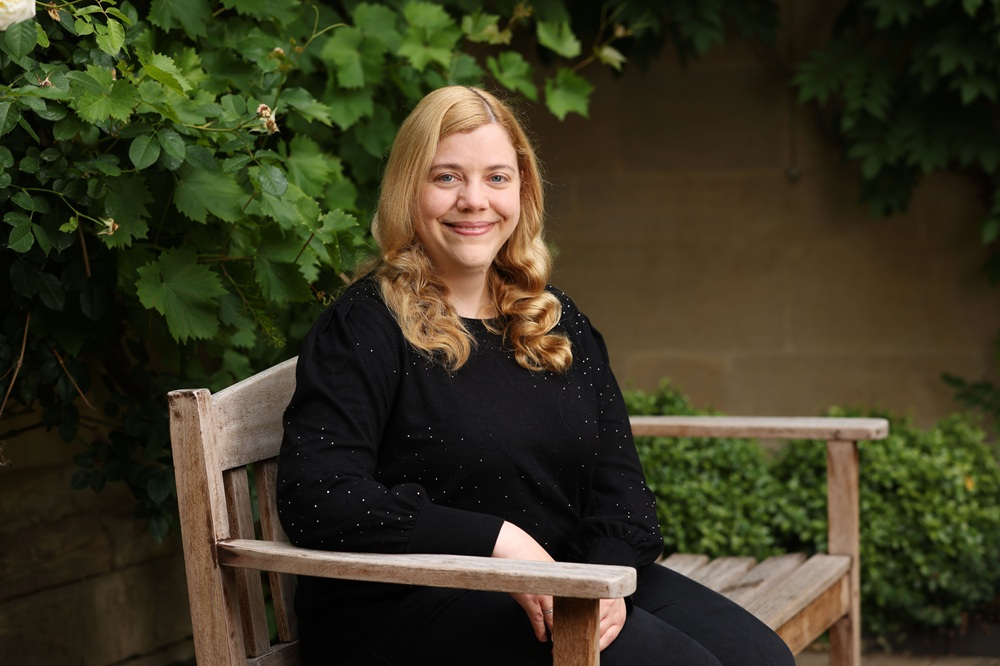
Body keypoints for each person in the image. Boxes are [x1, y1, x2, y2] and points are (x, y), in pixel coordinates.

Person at [276, 85, 795, 665]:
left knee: (762, 659)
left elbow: (623, 496)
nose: (475, 200)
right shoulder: (365, 328)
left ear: (522, 189)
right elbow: (320, 496)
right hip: (409, 606)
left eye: (497, 178)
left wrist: (600, 579)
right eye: (447, 177)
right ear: (407, 189)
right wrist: (498, 542)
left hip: (559, 582)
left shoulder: (554, 320)